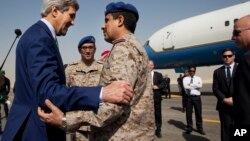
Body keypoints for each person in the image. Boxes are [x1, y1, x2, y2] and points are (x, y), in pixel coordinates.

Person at [2, 1, 133, 141]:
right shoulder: (39, 38)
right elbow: (48, 92)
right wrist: (102, 93)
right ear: (55, 11)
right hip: (35, 131)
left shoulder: (39, 35)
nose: (73, 22)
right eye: (71, 15)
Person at [38, 1, 155, 141]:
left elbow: (114, 106)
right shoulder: (136, 47)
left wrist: (65, 119)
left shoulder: (123, 50)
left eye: (107, 20)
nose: (102, 26)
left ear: (120, 20)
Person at [65, 35, 103, 140]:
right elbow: (64, 93)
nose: (87, 51)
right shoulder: (70, 69)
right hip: (77, 125)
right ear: (79, 50)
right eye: (84, 48)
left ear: (95, 50)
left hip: (98, 124)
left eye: (90, 47)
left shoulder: (103, 68)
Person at [213, 48, 237, 141]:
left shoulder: (241, 68)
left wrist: (235, 99)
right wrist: (225, 99)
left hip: (239, 105)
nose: (227, 58)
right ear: (222, 58)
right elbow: (215, 89)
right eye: (224, 56)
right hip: (224, 106)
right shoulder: (217, 72)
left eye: (229, 56)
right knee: (225, 130)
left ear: (234, 57)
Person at [232, 15, 250, 126]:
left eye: (237, 33)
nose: (233, 37)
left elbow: (245, 103)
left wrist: (240, 133)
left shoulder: (247, 59)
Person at [183, 65, 205, 135]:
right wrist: (195, 85)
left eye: (193, 71)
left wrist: (191, 85)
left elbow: (200, 86)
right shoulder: (185, 79)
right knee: (188, 114)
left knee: (198, 113)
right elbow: (186, 86)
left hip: (197, 98)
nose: (192, 72)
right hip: (188, 97)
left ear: (195, 71)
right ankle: (189, 128)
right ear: (188, 71)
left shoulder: (199, 78)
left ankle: (200, 128)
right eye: (190, 71)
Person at [148, 60, 165, 138]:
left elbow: (163, 83)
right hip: (146, 99)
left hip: (156, 97)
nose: (150, 66)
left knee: (158, 114)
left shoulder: (158, 74)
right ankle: (148, 130)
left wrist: (157, 86)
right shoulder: (143, 75)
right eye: (148, 65)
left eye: (151, 65)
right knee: (148, 115)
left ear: (153, 66)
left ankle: (158, 130)